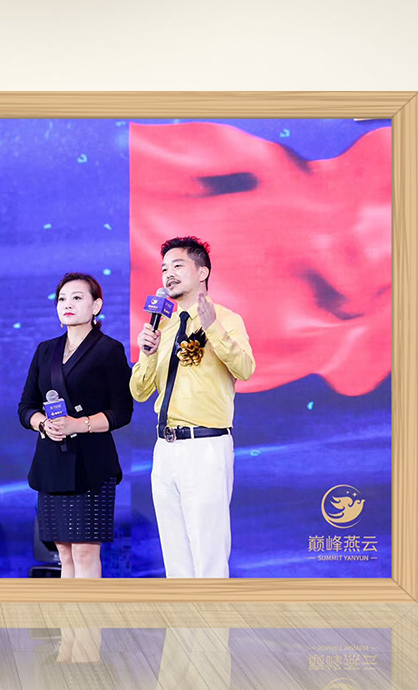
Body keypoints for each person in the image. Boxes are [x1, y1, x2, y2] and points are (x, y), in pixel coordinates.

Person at [130, 237, 255, 578]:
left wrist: (212, 327)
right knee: (175, 555)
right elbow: (139, 392)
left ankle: (211, 614)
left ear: (202, 272)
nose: (168, 274)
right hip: (165, 449)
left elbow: (245, 368)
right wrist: (147, 353)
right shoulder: (162, 326)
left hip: (205, 446)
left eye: (177, 265)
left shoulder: (226, 319)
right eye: (164, 269)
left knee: (208, 552)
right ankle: (183, 614)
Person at [18, 273, 133, 579]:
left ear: (96, 306)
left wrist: (77, 425)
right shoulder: (45, 350)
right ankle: (68, 612)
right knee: (64, 552)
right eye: (62, 299)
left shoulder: (109, 349)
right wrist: (44, 424)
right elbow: (25, 407)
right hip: (51, 462)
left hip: (91, 464)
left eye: (77, 298)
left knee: (84, 550)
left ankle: (87, 611)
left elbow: (122, 412)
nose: (67, 304)